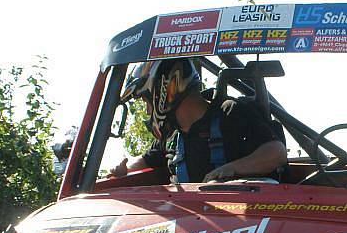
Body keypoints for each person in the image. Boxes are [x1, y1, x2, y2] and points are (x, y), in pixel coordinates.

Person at [110, 59, 287, 183]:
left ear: (164, 91)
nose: (148, 111)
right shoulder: (172, 135)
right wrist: (124, 170)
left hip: (236, 223)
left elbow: (276, 153)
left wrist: (231, 169)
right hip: (190, 225)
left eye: (147, 103)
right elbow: (144, 162)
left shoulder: (230, 112)